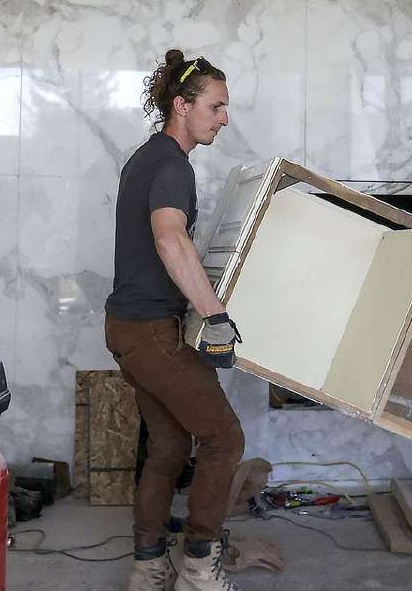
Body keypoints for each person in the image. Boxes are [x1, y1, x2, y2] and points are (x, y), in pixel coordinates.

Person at [105, 49, 246, 591]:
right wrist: (215, 316)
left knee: (167, 447)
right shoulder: (171, 165)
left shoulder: (146, 158)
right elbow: (170, 237)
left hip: (129, 328)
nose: (224, 118)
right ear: (183, 106)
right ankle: (198, 566)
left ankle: (148, 566)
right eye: (216, 106)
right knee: (224, 439)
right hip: (152, 333)